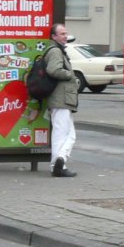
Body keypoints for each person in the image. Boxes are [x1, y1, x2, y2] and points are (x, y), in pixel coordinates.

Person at [45, 23, 77, 178]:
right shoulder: (55, 51)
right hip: (60, 98)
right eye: (62, 33)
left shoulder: (59, 50)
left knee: (69, 134)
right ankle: (58, 164)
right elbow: (53, 70)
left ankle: (60, 160)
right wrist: (70, 75)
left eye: (66, 33)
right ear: (54, 36)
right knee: (62, 133)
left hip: (63, 98)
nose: (65, 36)